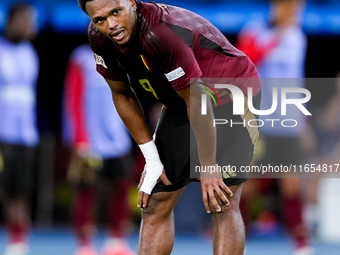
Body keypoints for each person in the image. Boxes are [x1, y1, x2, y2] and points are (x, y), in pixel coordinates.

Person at [77, 0, 261, 254]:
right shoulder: (99, 37)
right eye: (99, 20)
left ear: (131, 2)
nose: (111, 25)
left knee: (222, 200)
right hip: (183, 100)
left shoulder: (160, 34)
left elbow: (197, 101)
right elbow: (122, 95)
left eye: (116, 12)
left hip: (231, 94)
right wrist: (151, 158)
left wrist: (207, 165)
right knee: (154, 201)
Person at [236, 0, 314, 254]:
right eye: (290, 6)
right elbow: (243, 61)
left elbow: (296, 83)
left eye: (297, 7)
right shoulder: (256, 30)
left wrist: (302, 122)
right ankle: (237, 238)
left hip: (287, 125)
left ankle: (301, 244)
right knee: (250, 185)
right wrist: (276, 34)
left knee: (291, 183)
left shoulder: (298, 37)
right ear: (277, 5)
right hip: (258, 121)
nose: (294, 12)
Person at [63, 44, 137, 255]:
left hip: (118, 139)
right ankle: (85, 244)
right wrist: (79, 140)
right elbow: (73, 100)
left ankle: (116, 240)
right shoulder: (81, 58)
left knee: (122, 188)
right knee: (86, 190)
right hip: (89, 140)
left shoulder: (122, 56)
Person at [0, 4, 39, 255]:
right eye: (25, 21)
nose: (30, 27)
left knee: (22, 186)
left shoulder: (30, 53)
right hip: (2, 132)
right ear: (11, 21)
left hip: (25, 133)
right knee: (4, 186)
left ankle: (18, 235)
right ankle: (10, 232)